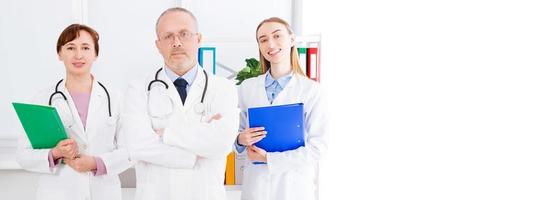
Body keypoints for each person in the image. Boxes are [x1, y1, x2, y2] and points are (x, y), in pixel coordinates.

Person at [121, 7, 239, 200]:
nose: (176, 42)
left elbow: (222, 143)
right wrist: (193, 152)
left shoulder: (223, 88)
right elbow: (137, 145)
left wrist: (166, 133)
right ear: (158, 45)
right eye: (168, 36)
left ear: (198, 39)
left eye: (184, 34)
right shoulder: (138, 89)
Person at [16, 24, 132, 200]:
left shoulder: (115, 99)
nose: (78, 55)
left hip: (103, 192)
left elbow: (131, 151)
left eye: (85, 48)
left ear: (95, 54)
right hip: (58, 193)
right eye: (70, 47)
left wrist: (95, 163)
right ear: (59, 54)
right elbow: (23, 155)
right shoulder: (43, 99)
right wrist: (55, 153)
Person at [234, 17, 329, 200]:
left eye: (277, 36)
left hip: (294, 188)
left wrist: (269, 159)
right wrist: (240, 139)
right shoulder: (247, 88)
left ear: (292, 39)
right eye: (263, 39)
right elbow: (234, 132)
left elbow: (318, 147)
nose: (271, 44)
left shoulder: (311, 90)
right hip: (256, 187)